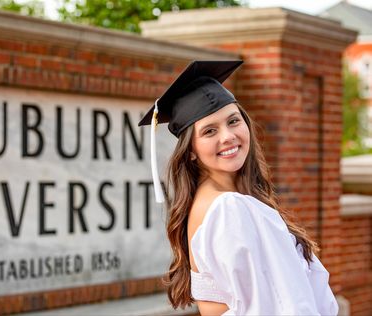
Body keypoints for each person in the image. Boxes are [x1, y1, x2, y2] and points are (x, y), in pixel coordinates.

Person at [138, 60, 339, 315]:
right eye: (210, 131)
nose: (228, 136)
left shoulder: (213, 203)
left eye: (233, 121)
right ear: (190, 151)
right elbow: (276, 305)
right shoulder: (228, 209)